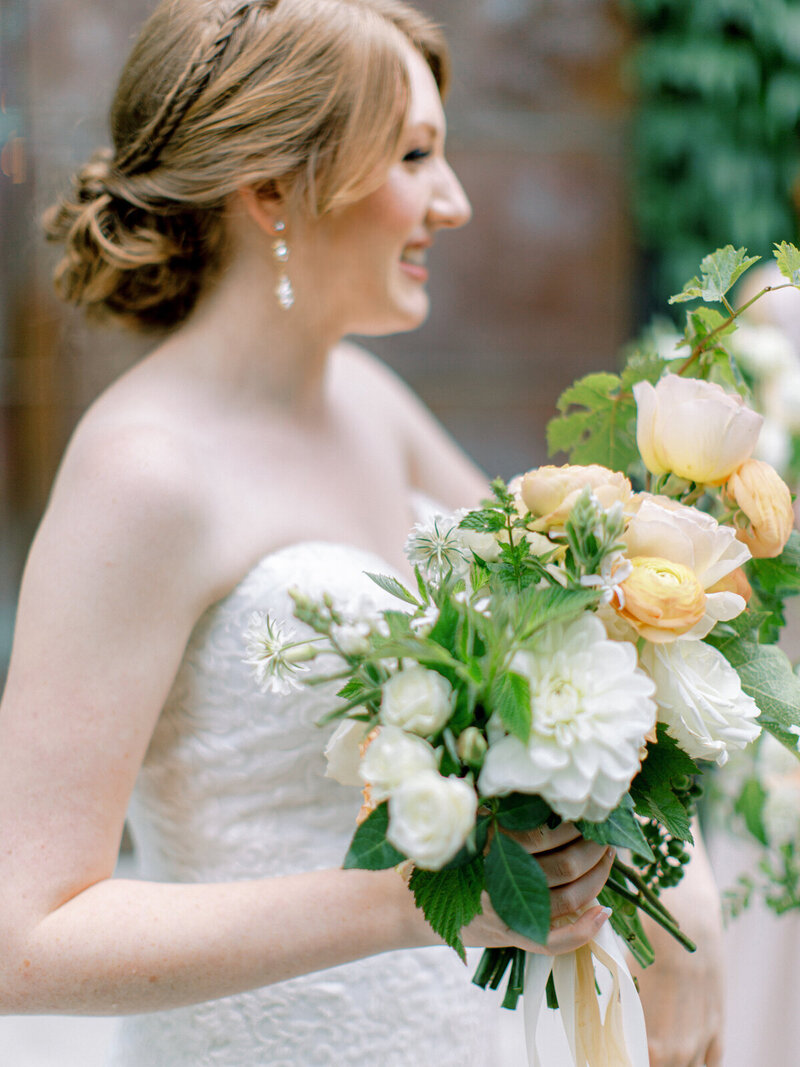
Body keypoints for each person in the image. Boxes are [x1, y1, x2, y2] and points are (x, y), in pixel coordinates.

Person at [0, 1, 719, 1063]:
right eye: (416, 155)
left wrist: (684, 902)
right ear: (269, 187)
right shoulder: (143, 472)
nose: (456, 201)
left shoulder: (367, 400)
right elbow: (23, 936)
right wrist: (401, 902)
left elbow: (588, 635)